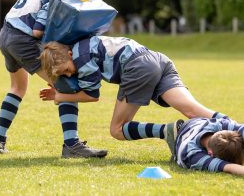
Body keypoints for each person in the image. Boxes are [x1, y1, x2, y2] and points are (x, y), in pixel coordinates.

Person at [0, 0, 108, 158]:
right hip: (24, 40)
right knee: (67, 85)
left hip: (7, 34)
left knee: (18, 87)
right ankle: (72, 145)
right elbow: (38, 32)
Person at [39, 36, 223, 151]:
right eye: (63, 75)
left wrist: (58, 97)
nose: (69, 74)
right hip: (157, 59)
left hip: (137, 67)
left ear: (69, 54)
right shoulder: (84, 44)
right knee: (192, 110)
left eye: (66, 70)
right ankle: (237, 129)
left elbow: (92, 96)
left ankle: (169, 131)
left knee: (117, 129)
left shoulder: (82, 59)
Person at [174, 114, 244, 176]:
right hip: (184, 133)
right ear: (210, 154)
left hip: (196, 125)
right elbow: (227, 167)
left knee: (226, 118)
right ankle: (171, 130)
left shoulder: (219, 124)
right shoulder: (193, 156)